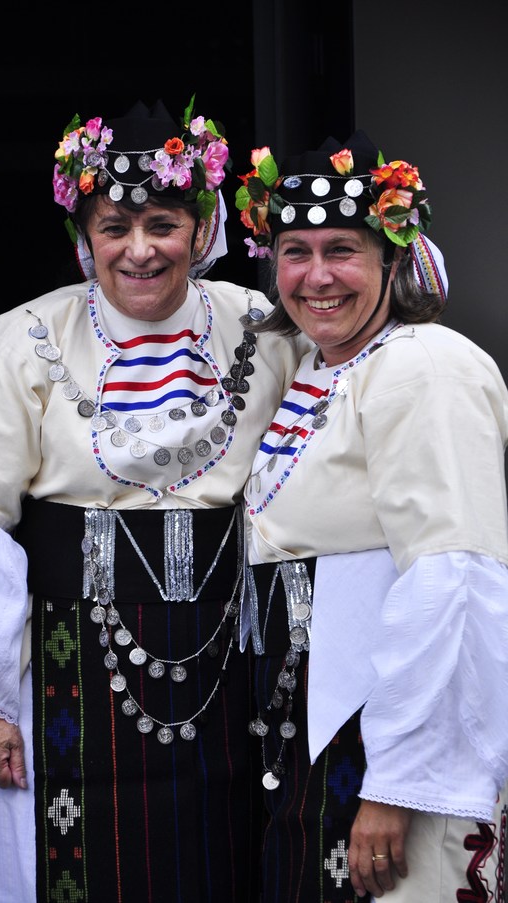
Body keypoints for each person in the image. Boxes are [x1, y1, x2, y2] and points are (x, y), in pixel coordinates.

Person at [0, 97, 308, 903]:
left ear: (201, 227)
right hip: (67, 672)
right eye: (114, 228)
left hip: (230, 675)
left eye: (163, 225)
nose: (139, 249)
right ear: (84, 237)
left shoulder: (264, 328)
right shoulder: (25, 337)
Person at [235, 131, 508, 901]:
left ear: (393, 259)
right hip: (317, 730)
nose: (317, 276)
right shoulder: (319, 368)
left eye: (342, 250)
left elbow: (452, 576)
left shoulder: (424, 364)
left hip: (382, 742)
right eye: (295, 251)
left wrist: (396, 782)